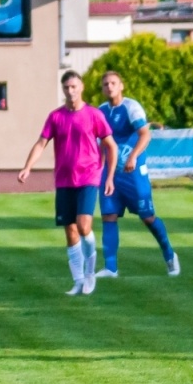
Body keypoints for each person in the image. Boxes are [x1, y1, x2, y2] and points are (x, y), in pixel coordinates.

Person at [17, 70, 118, 296]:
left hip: (89, 177)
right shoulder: (55, 117)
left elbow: (111, 146)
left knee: (83, 227)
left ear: (81, 87)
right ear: (63, 90)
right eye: (66, 88)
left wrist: (109, 176)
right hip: (64, 180)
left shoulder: (93, 115)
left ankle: (90, 271)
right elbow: (41, 143)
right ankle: (78, 281)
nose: (70, 91)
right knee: (70, 231)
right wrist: (27, 167)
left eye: (74, 87)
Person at [95, 71, 180, 278]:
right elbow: (100, 143)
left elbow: (145, 134)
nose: (109, 87)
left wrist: (133, 157)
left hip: (132, 173)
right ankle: (111, 268)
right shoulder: (100, 111)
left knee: (147, 217)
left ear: (121, 86)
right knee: (108, 215)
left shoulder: (131, 107)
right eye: (106, 84)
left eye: (113, 83)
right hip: (110, 173)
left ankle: (169, 255)